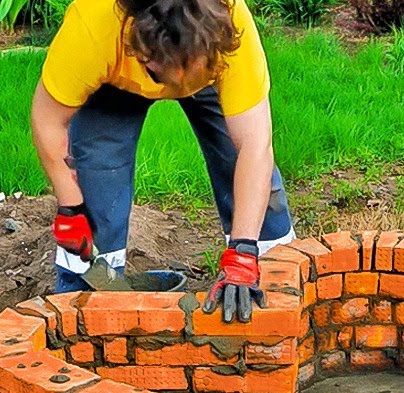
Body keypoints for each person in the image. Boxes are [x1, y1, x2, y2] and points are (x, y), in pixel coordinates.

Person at [31, 0, 297, 323]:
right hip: (115, 78)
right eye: (175, 73)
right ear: (147, 57)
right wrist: (70, 205)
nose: (181, 83)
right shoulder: (94, 25)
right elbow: (47, 119)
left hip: (211, 65)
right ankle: (80, 313)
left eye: (189, 71)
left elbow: (255, 145)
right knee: (95, 202)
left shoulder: (229, 28)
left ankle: (276, 289)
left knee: (257, 191)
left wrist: (243, 252)